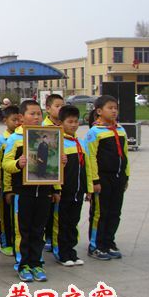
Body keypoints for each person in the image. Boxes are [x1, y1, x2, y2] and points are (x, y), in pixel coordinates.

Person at [3, 100, 62, 283]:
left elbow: (55, 165)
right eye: (32, 114)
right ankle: (23, 264)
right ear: (21, 117)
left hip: (44, 192)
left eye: (39, 114)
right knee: (23, 230)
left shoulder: (50, 135)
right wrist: (18, 165)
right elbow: (6, 164)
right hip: (23, 192)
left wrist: (56, 186)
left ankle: (37, 263)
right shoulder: (15, 139)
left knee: (39, 229)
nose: (37, 117)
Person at [86, 95, 129, 261]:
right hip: (102, 179)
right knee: (100, 213)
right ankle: (96, 245)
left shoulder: (120, 130)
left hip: (118, 178)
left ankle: (109, 241)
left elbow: (124, 154)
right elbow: (91, 157)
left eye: (115, 108)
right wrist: (94, 181)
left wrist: (126, 176)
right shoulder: (94, 132)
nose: (114, 111)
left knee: (115, 212)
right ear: (99, 111)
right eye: (110, 108)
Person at [52, 105, 93, 266]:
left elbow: (87, 167)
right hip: (64, 191)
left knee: (73, 222)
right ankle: (62, 253)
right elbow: (53, 169)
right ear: (61, 123)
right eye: (70, 122)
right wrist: (56, 189)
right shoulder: (58, 143)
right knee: (62, 222)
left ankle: (72, 252)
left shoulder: (81, 143)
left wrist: (88, 188)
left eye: (76, 122)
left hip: (78, 190)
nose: (74, 125)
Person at [0, 105, 21, 257]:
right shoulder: (0, 141)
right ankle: (6, 243)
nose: (17, 123)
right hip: (5, 185)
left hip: (20, 185)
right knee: (6, 216)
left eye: (19, 119)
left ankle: (18, 242)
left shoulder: (24, 138)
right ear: (5, 121)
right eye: (13, 120)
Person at [42, 93, 64, 252]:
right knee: (47, 210)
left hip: (64, 176)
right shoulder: (42, 129)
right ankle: (48, 236)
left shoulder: (65, 127)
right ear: (48, 108)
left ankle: (59, 237)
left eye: (62, 105)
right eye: (57, 106)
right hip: (48, 176)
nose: (60, 109)